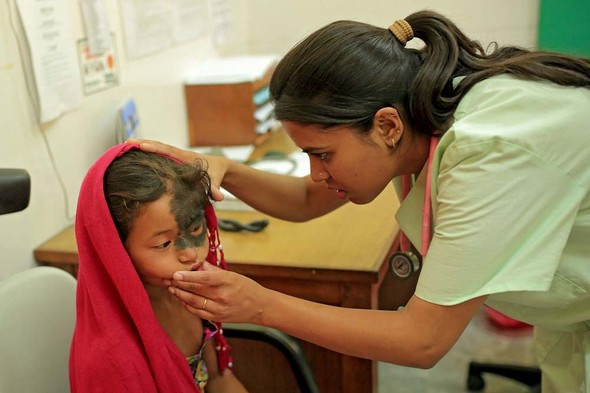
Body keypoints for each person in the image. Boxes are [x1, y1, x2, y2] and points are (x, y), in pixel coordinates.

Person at [133, 10, 590, 393]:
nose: (316, 172)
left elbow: (422, 341)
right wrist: (225, 169)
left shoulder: (489, 151)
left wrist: (261, 306)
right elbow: (304, 199)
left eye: (322, 154)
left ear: (387, 126)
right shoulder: (420, 107)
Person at [70, 144, 248, 393]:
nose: (189, 253)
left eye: (196, 228)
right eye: (164, 243)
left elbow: (220, 380)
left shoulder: (190, 292)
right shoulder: (114, 363)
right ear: (116, 252)